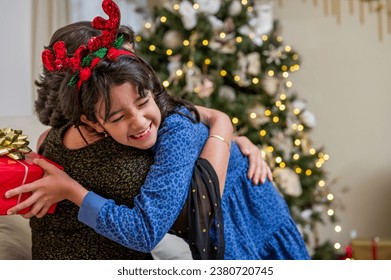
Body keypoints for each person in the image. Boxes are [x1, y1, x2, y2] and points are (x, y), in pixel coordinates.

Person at [7, 0, 309, 260]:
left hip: (246, 213)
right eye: (118, 116)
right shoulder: (71, 128)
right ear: (89, 118)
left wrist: (223, 125)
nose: (138, 121)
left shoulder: (175, 128)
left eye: (142, 101)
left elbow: (158, 224)